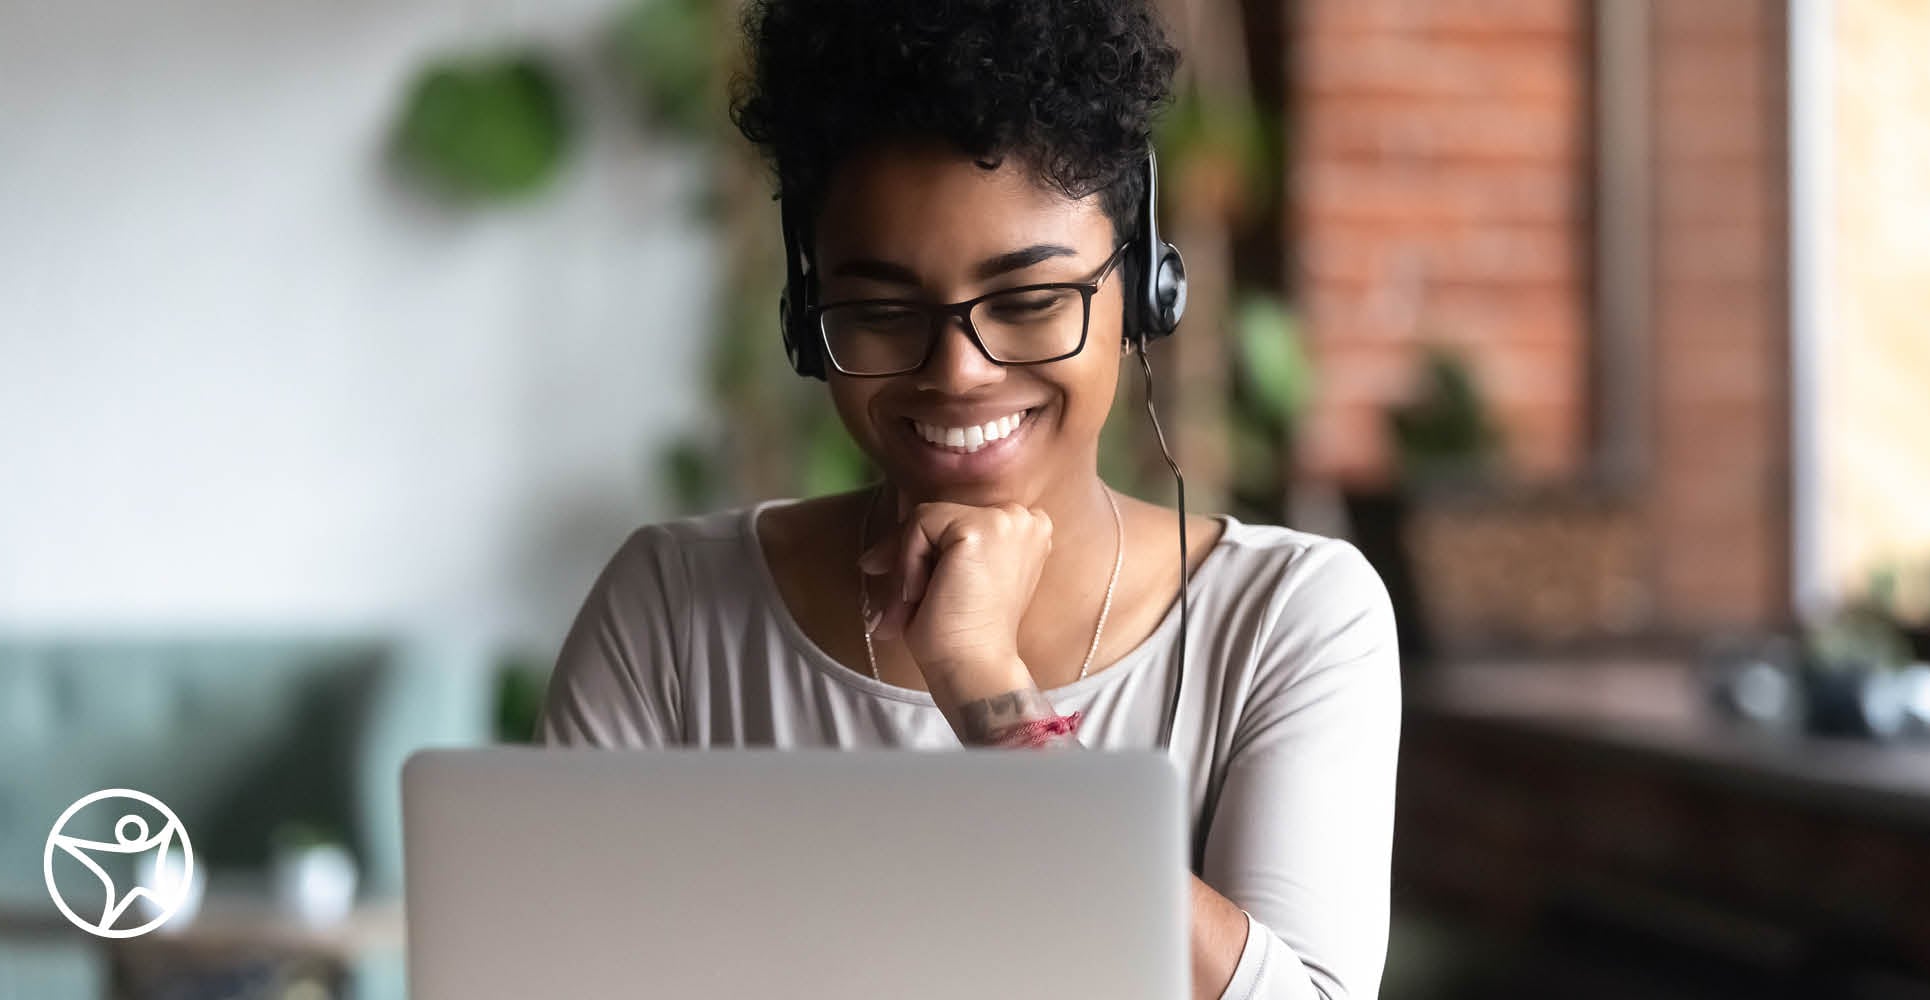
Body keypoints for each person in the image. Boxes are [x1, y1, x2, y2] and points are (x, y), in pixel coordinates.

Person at [535, 1, 1400, 997]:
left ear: (1144, 288)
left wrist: (986, 686)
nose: (955, 372)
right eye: (879, 311)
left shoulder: (1289, 618)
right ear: (804, 319)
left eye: (1030, 302)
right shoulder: (672, 609)